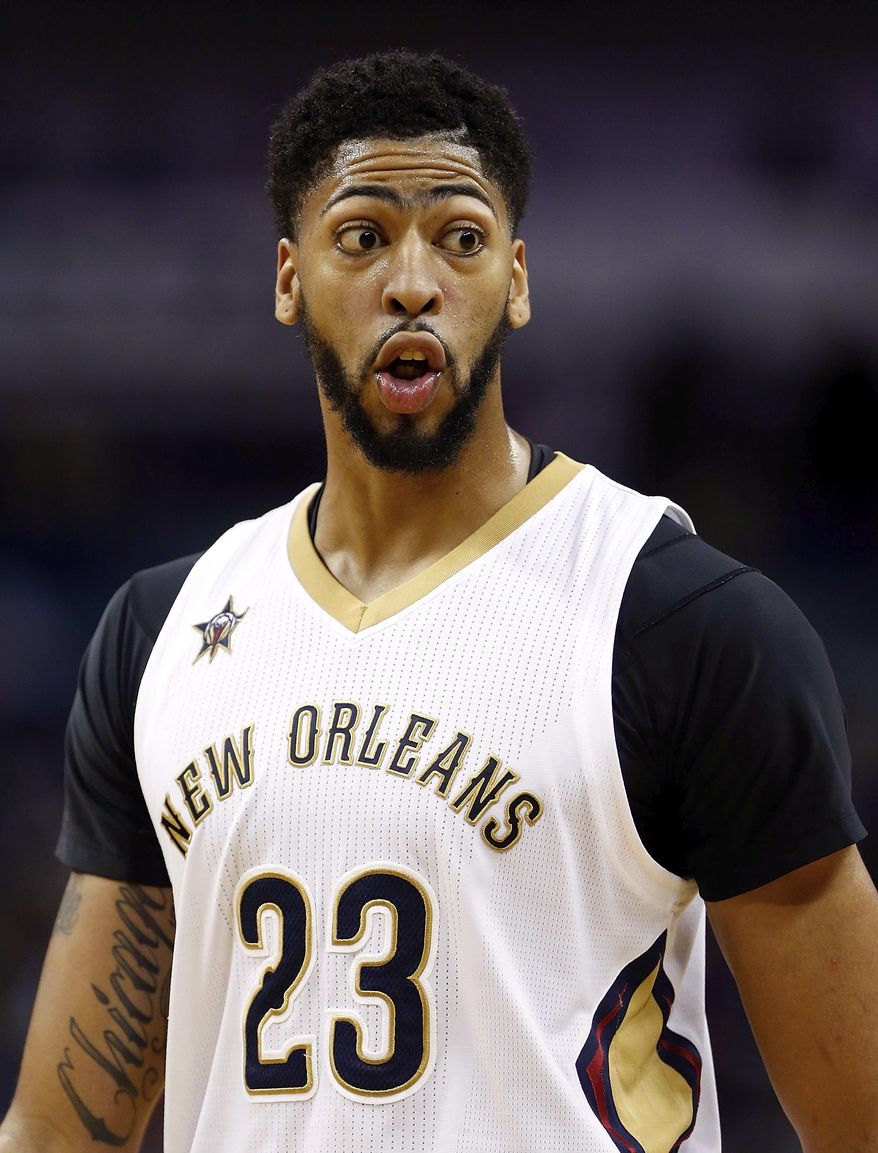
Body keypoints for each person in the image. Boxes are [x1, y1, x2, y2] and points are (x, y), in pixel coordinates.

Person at [2, 49, 877, 1153]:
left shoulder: (677, 622)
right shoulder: (160, 632)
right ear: (287, 278)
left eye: (458, 239)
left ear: (514, 278)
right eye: (362, 236)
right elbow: (61, 1126)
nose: (411, 281)